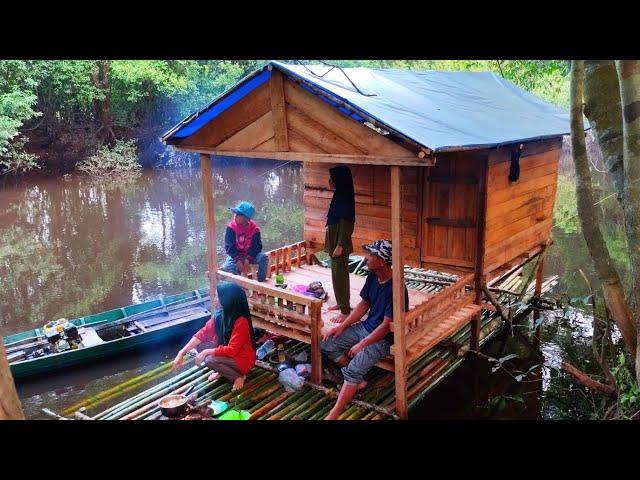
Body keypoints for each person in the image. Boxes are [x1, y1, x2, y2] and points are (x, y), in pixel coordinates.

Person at [320, 239, 409, 420]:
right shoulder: (373, 276)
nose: (367, 258)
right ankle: (357, 381)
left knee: (353, 370)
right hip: (365, 328)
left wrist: (362, 343)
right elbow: (364, 304)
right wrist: (341, 326)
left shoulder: (397, 289)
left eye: (371, 255)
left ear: (382, 261)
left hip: (382, 339)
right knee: (327, 343)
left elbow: (386, 327)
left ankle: (333, 414)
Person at [172, 282, 257, 390]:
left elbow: (232, 350)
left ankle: (239, 376)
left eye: (218, 296)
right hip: (230, 355)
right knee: (200, 346)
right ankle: (223, 371)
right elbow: (202, 334)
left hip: (243, 359)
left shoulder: (241, 321)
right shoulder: (220, 315)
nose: (215, 299)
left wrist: (206, 352)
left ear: (227, 300)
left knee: (209, 360)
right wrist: (181, 352)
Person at [325, 166, 356, 323]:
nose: (329, 182)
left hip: (339, 242)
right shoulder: (340, 195)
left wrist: (340, 245)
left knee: (340, 274)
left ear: (339, 180)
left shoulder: (344, 198)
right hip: (335, 239)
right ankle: (340, 302)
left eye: (332, 179)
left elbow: (347, 224)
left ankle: (345, 311)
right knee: (336, 273)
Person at [221, 201, 268, 282]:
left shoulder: (255, 229)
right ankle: (238, 285)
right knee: (228, 266)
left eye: (238, 214)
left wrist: (248, 260)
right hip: (235, 255)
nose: (235, 216)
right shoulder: (231, 227)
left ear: (246, 218)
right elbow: (229, 247)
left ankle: (261, 282)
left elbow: (257, 247)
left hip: (249, 255)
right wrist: (237, 260)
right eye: (235, 213)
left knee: (263, 257)